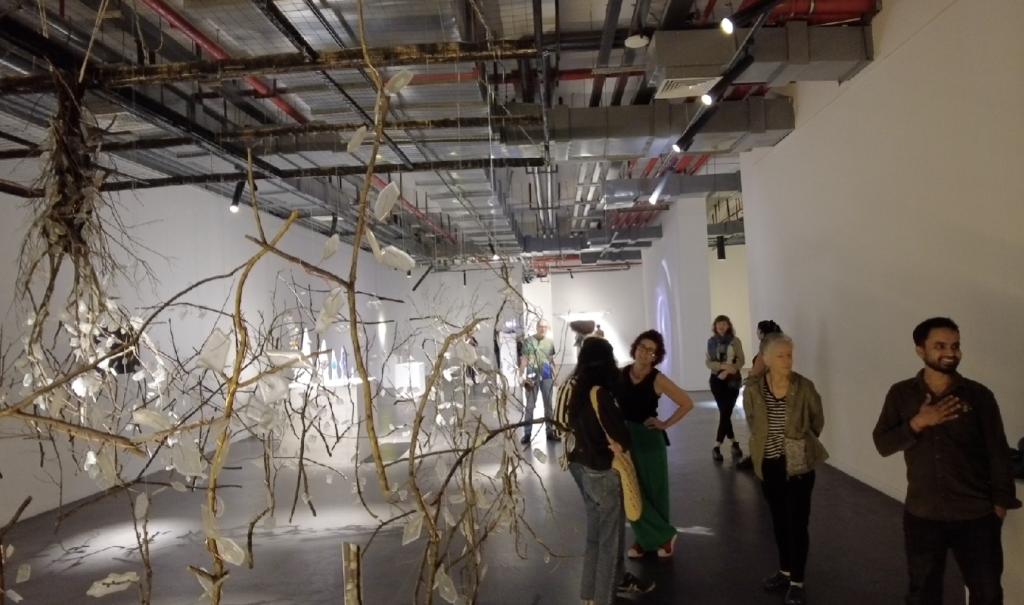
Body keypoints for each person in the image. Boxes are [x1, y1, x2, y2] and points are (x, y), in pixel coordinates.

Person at [873, 317, 1020, 605]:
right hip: (923, 514)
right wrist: (918, 422)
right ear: (920, 349)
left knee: (987, 594)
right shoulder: (901, 394)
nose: (951, 352)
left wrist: (1000, 505)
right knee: (923, 594)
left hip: (976, 515)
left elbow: (998, 452)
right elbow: (883, 444)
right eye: (940, 346)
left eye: (955, 345)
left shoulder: (979, 396)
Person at [566, 337, 654, 604]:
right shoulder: (600, 393)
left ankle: (588, 595)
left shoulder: (573, 388)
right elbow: (621, 436)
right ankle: (603, 598)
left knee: (594, 536)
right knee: (609, 542)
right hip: (601, 469)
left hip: (579, 466)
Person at [743, 333, 827, 605]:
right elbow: (753, 421)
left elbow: (816, 421)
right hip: (769, 465)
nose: (787, 360)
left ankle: (797, 581)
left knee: (798, 523)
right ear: (765, 359)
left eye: (789, 355)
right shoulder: (755, 390)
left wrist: (799, 443)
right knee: (779, 520)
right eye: (780, 355)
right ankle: (785, 571)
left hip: (798, 466)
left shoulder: (804, 387)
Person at [616, 330, 695, 559]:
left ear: (655, 356)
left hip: (649, 440)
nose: (645, 353)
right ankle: (652, 536)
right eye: (642, 347)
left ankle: (657, 538)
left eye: (651, 350)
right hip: (625, 439)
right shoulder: (621, 374)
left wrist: (665, 423)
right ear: (635, 348)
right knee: (632, 490)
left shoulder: (657, 379)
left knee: (654, 492)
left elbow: (687, 403)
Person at [706, 315, 746, 461]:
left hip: (733, 380)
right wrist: (722, 367)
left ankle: (717, 445)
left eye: (724, 324)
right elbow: (709, 362)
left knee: (725, 412)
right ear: (715, 326)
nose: (721, 326)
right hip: (716, 380)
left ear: (728, 326)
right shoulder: (711, 342)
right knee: (725, 412)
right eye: (719, 324)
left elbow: (741, 360)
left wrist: (729, 371)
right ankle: (734, 443)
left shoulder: (735, 341)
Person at [520, 319, 559, 444]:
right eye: (541, 326)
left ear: (547, 329)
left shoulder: (549, 342)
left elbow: (551, 360)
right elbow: (524, 359)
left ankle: (550, 432)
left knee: (548, 405)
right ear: (537, 327)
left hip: (547, 376)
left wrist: (555, 375)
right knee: (530, 406)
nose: (543, 329)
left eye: (545, 327)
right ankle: (527, 434)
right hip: (531, 376)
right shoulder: (528, 341)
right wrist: (521, 376)